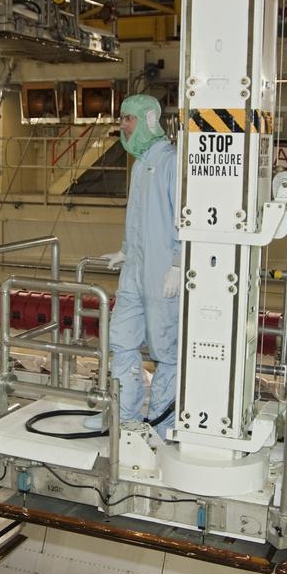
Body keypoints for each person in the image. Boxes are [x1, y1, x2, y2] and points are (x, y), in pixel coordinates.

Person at [91, 93, 180, 440]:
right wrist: (127, 251)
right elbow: (141, 221)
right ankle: (124, 417)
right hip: (136, 273)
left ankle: (161, 424)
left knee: (165, 352)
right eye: (122, 119)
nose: (122, 125)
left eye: (128, 118)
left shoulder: (170, 162)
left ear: (148, 120)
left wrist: (177, 263)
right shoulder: (141, 164)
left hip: (162, 276)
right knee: (121, 341)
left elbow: (182, 219)